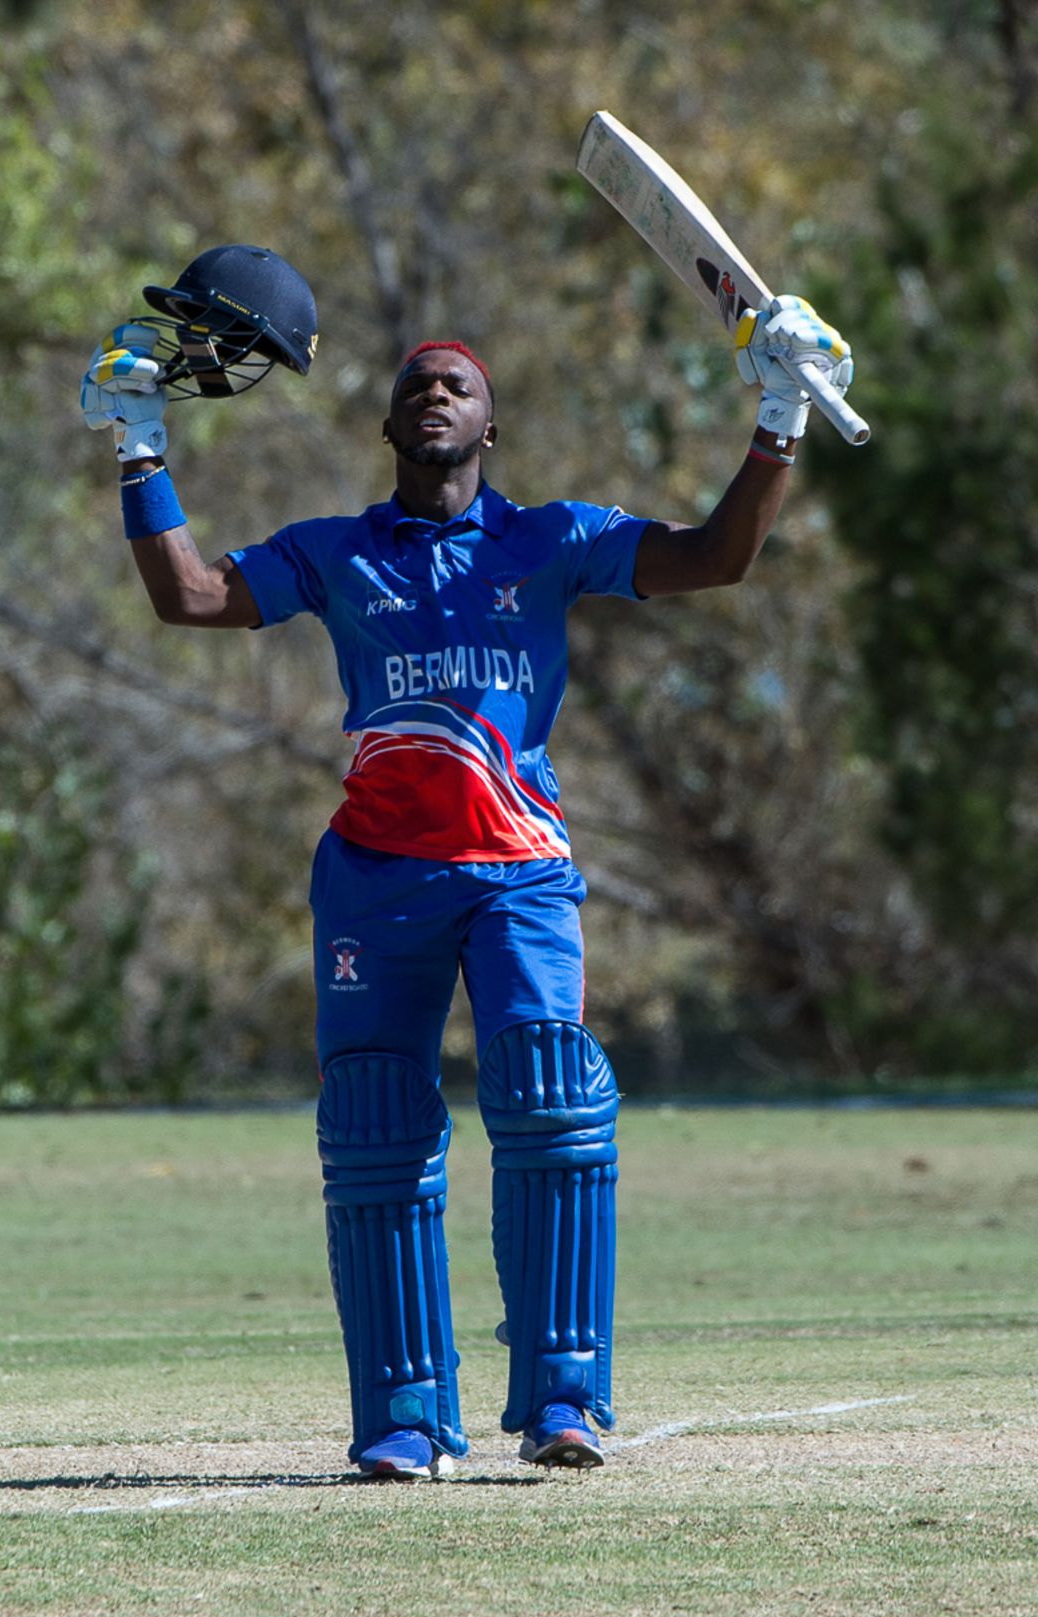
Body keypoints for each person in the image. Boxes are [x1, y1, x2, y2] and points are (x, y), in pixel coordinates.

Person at [82, 251, 854, 1479]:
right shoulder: (334, 551)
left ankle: (563, 1405)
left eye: (458, 383)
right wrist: (138, 445)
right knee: (378, 1129)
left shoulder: (553, 540)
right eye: (416, 384)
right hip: (376, 875)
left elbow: (717, 558)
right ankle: (402, 1421)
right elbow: (189, 598)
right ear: (390, 422)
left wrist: (781, 415)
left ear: (493, 423)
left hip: (518, 871)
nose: (436, 392)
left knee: (550, 1100)